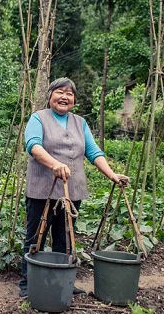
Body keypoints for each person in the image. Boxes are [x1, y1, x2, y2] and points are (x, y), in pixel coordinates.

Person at [19, 77, 129, 298]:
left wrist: (113, 175)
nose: (64, 97)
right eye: (59, 92)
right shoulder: (38, 118)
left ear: (74, 100)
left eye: (69, 94)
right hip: (43, 190)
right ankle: (28, 284)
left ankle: (61, 282)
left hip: (72, 191)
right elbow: (33, 146)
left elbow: (94, 152)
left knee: (65, 238)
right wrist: (55, 164)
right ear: (49, 96)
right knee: (35, 237)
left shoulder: (80, 122)